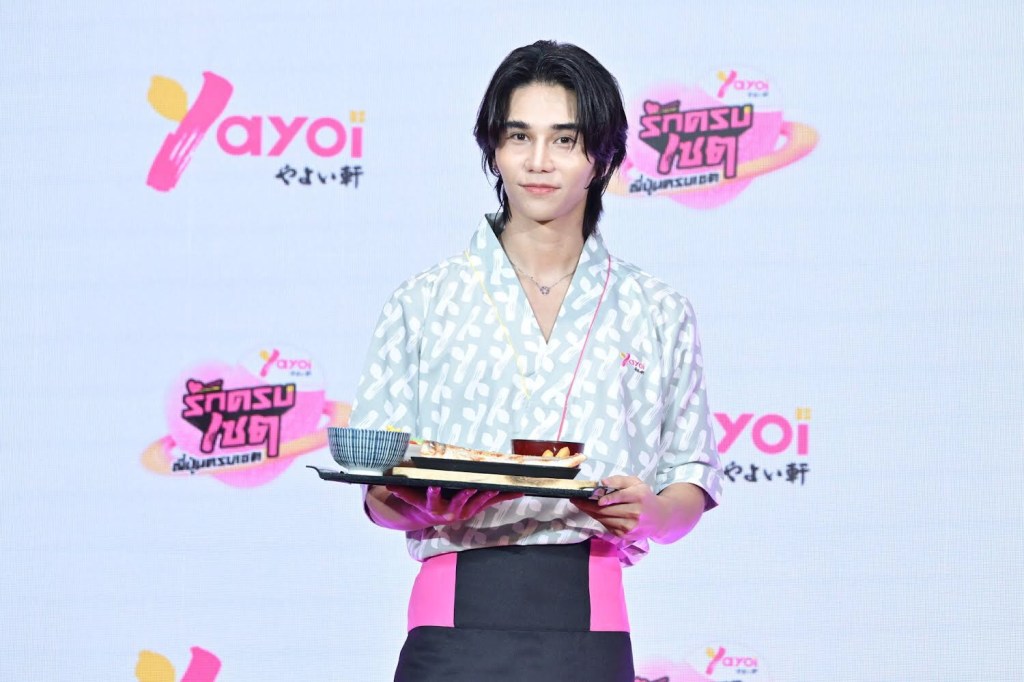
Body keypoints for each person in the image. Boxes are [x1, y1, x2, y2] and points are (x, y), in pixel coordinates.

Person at [349, 40, 723, 682]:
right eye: (519, 136)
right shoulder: (422, 302)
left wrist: (655, 513)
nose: (539, 161)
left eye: (565, 140)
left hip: (591, 621)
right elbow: (377, 492)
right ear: (493, 148)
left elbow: (690, 475)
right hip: (449, 624)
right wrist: (419, 504)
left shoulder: (657, 310)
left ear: (603, 156)